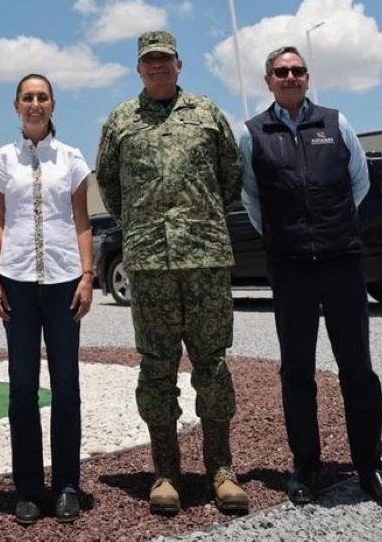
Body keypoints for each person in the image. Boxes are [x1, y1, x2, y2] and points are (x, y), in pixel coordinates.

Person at [239, 46, 382, 510]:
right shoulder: (253, 134)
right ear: (268, 80)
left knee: (358, 368)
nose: (290, 76)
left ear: (307, 77)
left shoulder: (336, 123)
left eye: (297, 70)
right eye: (281, 71)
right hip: (290, 267)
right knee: (296, 371)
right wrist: (288, 237)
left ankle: (371, 466)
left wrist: (331, 227)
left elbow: (359, 182)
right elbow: (253, 201)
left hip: (341, 262)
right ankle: (306, 465)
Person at [96, 31, 247, 518]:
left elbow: (231, 176)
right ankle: (166, 471)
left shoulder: (206, 112)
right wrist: (143, 225)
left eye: (165, 60)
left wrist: (195, 219)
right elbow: (110, 185)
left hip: (204, 259)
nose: (157, 67)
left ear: (179, 65)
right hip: (151, 264)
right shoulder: (121, 120)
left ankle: (221, 468)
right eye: (148, 61)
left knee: (213, 366)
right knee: (156, 368)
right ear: (139, 69)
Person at [0, 73, 94, 525]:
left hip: (65, 281)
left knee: (66, 384)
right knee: (22, 387)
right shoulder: (0, 159)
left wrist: (88, 276)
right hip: (18, 283)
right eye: (27, 97)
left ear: (52, 105)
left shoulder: (71, 159)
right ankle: (27, 487)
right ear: (16, 106)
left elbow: (83, 221)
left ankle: (67, 484)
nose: (34, 104)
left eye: (42, 97)